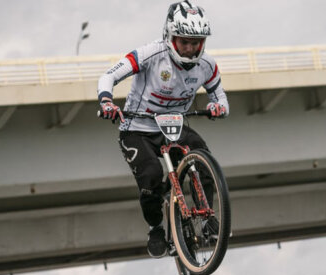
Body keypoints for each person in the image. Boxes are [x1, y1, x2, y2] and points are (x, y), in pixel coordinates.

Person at [97, 1, 229, 258]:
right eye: (184, 42)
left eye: (196, 42)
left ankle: (207, 216)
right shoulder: (150, 54)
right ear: (170, 36)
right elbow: (108, 76)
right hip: (137, 127)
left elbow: (221, 99)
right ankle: (155, 227)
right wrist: (106, 101)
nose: (190, 49)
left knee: (203, 157)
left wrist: (218, 108)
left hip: (173, 126)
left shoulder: (207, 66)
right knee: (151, 176)